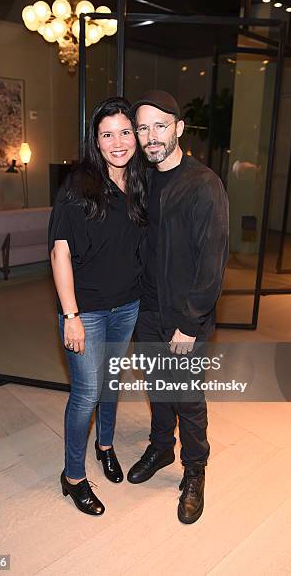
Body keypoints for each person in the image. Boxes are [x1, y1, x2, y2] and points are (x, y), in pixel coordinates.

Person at [127, 90, 229, 524]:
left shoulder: (203, 184)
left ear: (178, 129)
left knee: (186, 396)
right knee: (157, 385)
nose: (151, 136)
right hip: (146, 310)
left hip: (185, 316)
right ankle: (161, 447)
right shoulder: (142, 180)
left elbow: (213, 261)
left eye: (159, 126)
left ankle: (195, 469)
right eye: (143, 128)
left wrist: (189, 325)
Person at [48, 97, 147, 516]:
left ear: (136, 138)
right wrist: (71, 315)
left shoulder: (142, 182)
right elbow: (60, 253)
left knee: (111, 381)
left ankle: (105, 445)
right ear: (97, 141)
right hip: (85, 309)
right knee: (87, 392)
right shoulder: (78, 185)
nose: (118, 142)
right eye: (108, 134)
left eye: (126, 132)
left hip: (127, 304)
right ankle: (72, 477)